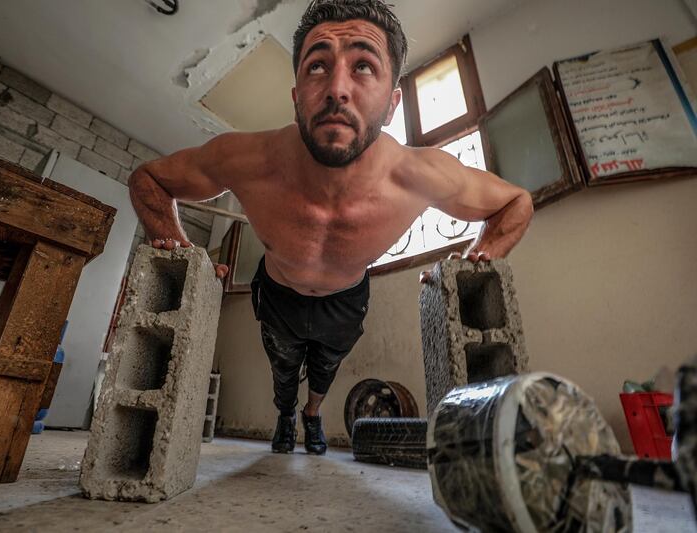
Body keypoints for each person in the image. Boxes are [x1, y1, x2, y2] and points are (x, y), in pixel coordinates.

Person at [129, 0, 533, 456]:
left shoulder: (420, 175)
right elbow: (149, 179)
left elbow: (515, 203)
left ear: (391, 102)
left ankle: (312, 415)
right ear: (297, 93)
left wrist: (481, 261)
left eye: (363, 66)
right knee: (283, 369)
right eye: (318, 66)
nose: (337, 88)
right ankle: (286, 415)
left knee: (325, 368)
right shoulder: (246, 159)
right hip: (278, 294)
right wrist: (182, 251)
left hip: (347, 297)